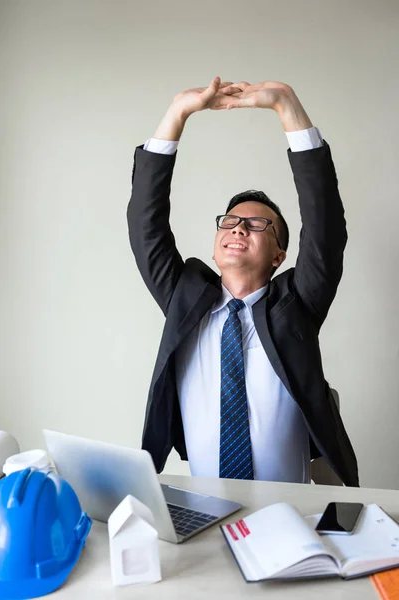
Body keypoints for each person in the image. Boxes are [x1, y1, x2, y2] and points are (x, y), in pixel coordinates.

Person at [127, 77, 359, 486]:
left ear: (278, 256)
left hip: (291, 512)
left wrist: (287, 105)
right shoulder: (184, 298)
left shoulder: (297, 304)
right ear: (216, 246)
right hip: (205, 505)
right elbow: (146, 227)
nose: (239, 229)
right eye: (231, 222)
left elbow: (325, 230)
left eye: (257, 224)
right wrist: (177, 114)